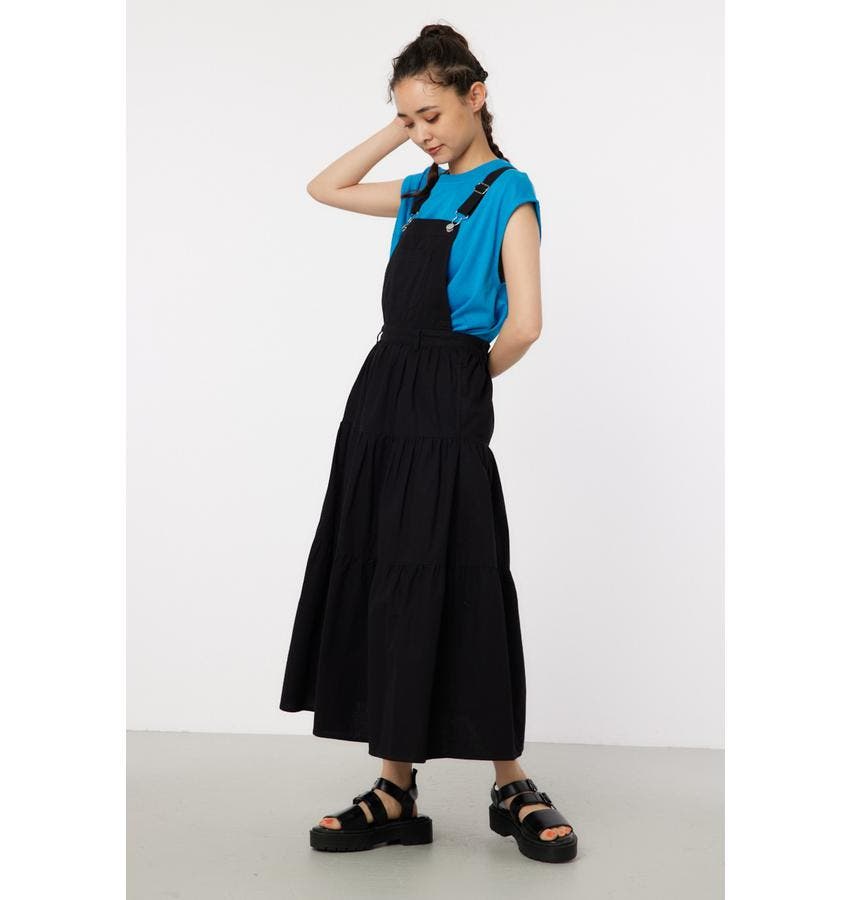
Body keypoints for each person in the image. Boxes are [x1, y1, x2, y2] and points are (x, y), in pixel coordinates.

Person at [278, 23, 577, 864]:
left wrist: (467, 381)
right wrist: (400, 127)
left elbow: (526, 323)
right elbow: (325, 187)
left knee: (463, 576)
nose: (423, 134)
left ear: (477, 97)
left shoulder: (509, 194)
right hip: (379, 400)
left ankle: (510, 781)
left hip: (445, 398)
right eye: (410, 120)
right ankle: (394, 788)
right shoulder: (417, 192)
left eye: (433, 115)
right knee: (387, 578)